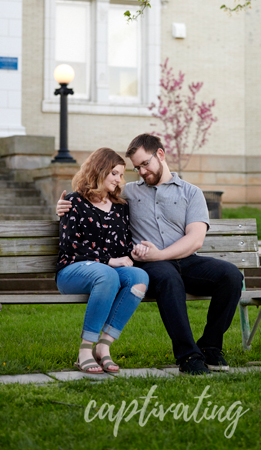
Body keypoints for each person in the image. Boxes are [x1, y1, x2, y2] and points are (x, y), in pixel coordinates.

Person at [57, 135, 244, 376]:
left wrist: (161, 254)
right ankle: (188, 356)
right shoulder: (128, 193)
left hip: (185, 260)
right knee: (168, 278)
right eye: (137, 168)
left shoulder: (192, 193)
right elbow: (94, 194)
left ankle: (210, 346)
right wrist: (61, 207)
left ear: (161, 155)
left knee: (230, 276)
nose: (141, 171)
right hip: (150, 267)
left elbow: (195, 239)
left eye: (145, 164)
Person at [56, 147, 149, 375]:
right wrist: (109, 260)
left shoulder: (120, 207)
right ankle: (85, 350)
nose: (119, 180)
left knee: (139, 277)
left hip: (105, 272)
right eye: (114, 173)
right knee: (106, 274)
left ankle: (103, 346)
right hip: (72, 272)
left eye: (120, 174)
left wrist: (135, 251)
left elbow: (123, 244)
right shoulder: (73, 202)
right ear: (99, 171)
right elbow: (70, 246)